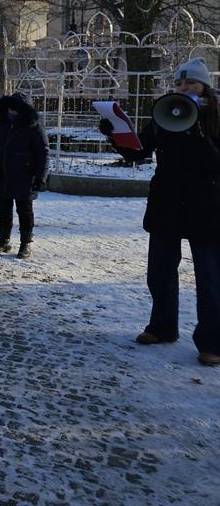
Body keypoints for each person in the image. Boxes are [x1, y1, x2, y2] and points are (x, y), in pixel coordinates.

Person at [99, 57, 220, 366]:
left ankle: (212, 343)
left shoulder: (216, 116)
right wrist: (115, 132)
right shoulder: (166, 112)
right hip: (167, 204)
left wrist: (197, 135)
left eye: (191, 83)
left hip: (207, 205)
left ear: (204, 86)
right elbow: (138, 152)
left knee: (210, 278)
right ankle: (162, 327)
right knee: (160, 272)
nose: (184, 88)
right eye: (179, 83)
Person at [0, 92, 49, 259]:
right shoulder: (3, 122)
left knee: (24, 210)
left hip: (24, 175)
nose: (12, 111)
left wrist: (41, 177)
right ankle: (4, 241)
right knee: (3, 209)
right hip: (1, 172)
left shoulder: (34, 126)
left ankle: (26, 244)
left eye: (16, 108)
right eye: (10, 108)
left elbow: (43, 154)